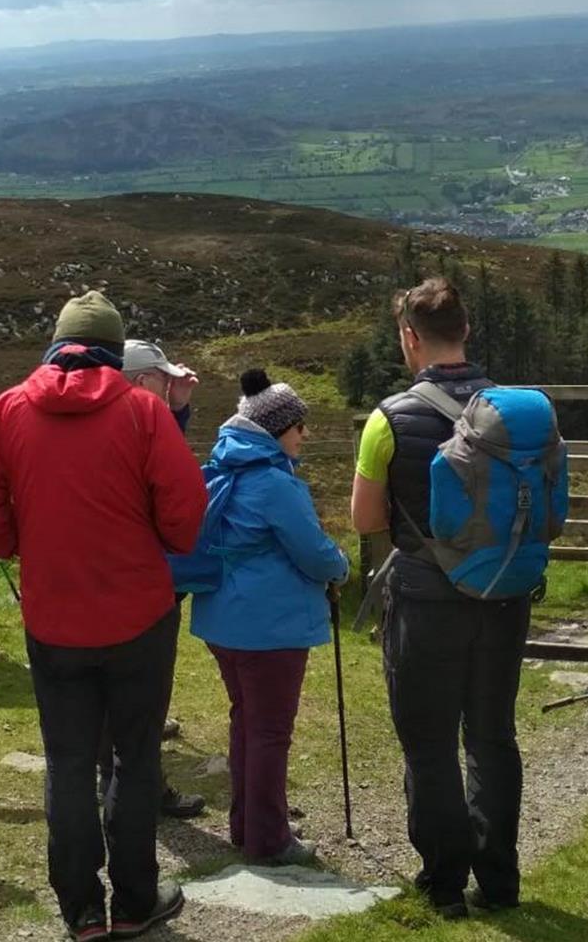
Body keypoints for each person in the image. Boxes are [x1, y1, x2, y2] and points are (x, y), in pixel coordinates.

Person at [0, 291, 207, 942]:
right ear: (111, 348)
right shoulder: (143, 413)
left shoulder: (11, 408)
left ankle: (82, 911)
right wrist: (157, 538)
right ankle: (134, 903)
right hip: (140, 615)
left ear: (58, 343)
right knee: (135, 755)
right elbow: (185, 511)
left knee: (68, 761)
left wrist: (22, 543)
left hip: (54, 618)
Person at [350, 277, 526, 919]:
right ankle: (501, 880)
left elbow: (366, 519)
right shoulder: (512, 410)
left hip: (425, 598)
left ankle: (445, 883)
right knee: (492, 736)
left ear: (409, 338)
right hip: (504, 594)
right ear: (467, 332)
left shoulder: (389, 418)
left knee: (429, 743)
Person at [191, 370, 348, 865]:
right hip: (269, 628)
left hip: (223, 621)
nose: (304, 434)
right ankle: (269, 840)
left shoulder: (223, 467)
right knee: (270, 731)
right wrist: (341, 566)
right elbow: (315, 554)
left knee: (247, 722)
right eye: (298, 425)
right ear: (275, 429)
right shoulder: (275, 484)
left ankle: (250, 823)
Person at [100, 338, 206, 820]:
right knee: (139, 697)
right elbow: (174, 493)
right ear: (143, 382)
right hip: (139, 581)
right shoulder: (138, 421)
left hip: (92, 579)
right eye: (164, 379)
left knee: (106, 690)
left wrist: (176, 407)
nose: (171, 383)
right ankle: (139, 797)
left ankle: (114, 785)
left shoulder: (105, 418)